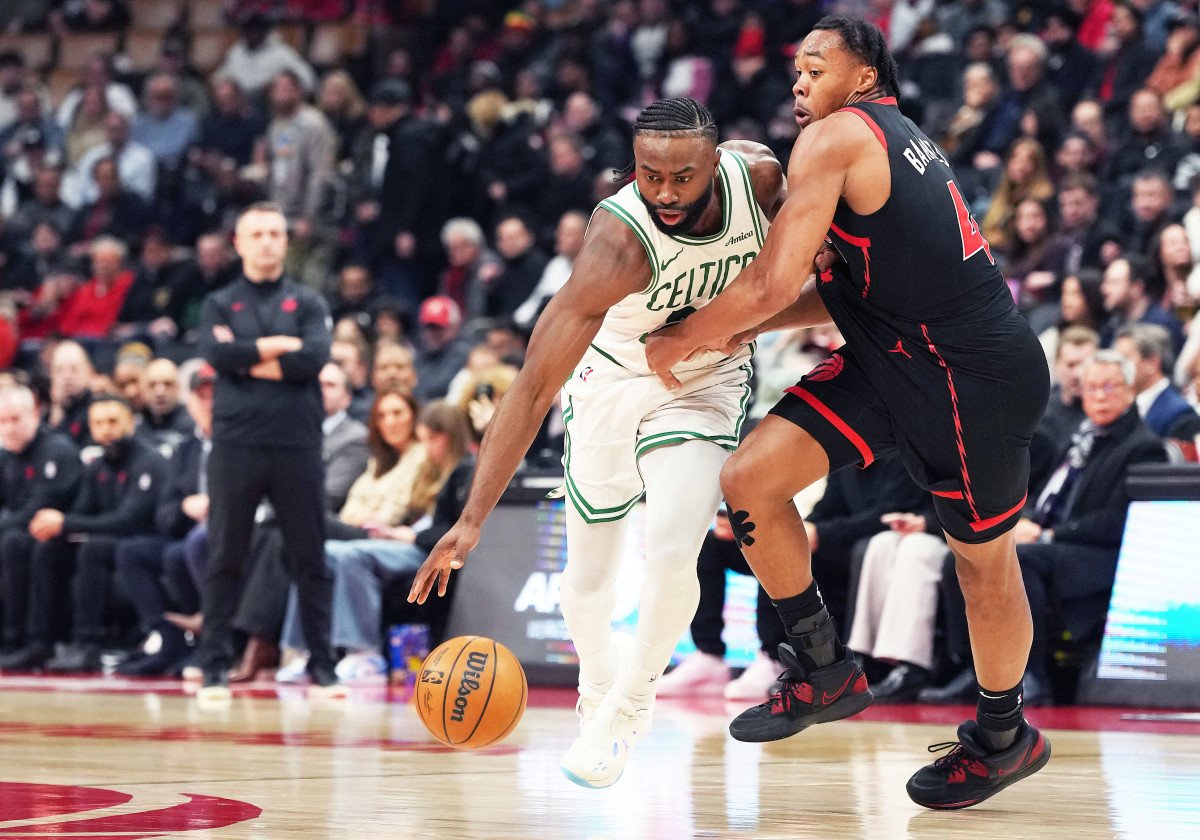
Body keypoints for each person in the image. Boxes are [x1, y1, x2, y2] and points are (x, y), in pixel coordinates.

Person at [644, 19, 1051, 809]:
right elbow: (832, 289)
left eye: (814, 67)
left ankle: (1005, 736)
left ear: (864, 76)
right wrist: (729, 329)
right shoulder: (887, 138)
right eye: (793, 70)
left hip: (971, 376)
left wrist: (685, 338)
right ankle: (825, 666)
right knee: (752, 481)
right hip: (888, 355)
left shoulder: (837, 138)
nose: (797, 82)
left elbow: (768, 284)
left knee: (982, 567)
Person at [409, 97, 784, 789]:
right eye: (650, 176)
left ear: (716, 162)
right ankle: (597, 684)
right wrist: (470, 520)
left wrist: (730, 327)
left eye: (684, 177)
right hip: (611, 379)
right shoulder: (615, 244)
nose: (667, 193)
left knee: (674, 547)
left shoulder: (759, 179)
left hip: (705, 384)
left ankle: (628, 709)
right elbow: (529, 389)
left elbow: (806, 284)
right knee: (586, 588)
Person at [196, 202, 338, 701]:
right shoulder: (219, 302)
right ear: (238, 242)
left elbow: (315, 358)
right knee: (224, 557)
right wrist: (281, 346)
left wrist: (248, 356)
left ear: (286, 240)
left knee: (310, 558)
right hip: (236, 443)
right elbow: (217, 356)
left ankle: (323, 666)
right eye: (256, 233)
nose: (267, 242)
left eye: (275, 232)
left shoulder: (310, 302)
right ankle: (213, 666)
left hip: (297, 442)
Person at [0, 395, 166, 672]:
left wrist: (64, 523)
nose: (106, 429)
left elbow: (129, 520)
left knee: (93, 548)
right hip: (109, 538)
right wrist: (60, 526)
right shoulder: (97, 465)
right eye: (98, 423)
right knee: (47, 546)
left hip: (146, 539)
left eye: (113, 421)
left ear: (130, 423)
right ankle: (38, 641)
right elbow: (82, 511)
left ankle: (86, 643)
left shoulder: (149, 460)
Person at [0, 384, 83, 655]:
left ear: (35, 415)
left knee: (16, 543)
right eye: (2, 421)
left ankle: (28, 640)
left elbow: (40, 508)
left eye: (16, 419)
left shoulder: (58, 450)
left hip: (66, 537)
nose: (9, 427)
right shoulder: (6, 457)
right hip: (20, 532)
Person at [1114, 323, 1200, 438]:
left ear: (1152, 363)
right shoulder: (1122, 406)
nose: (1115, 367)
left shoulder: (1181, 415)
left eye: (1123, 359)